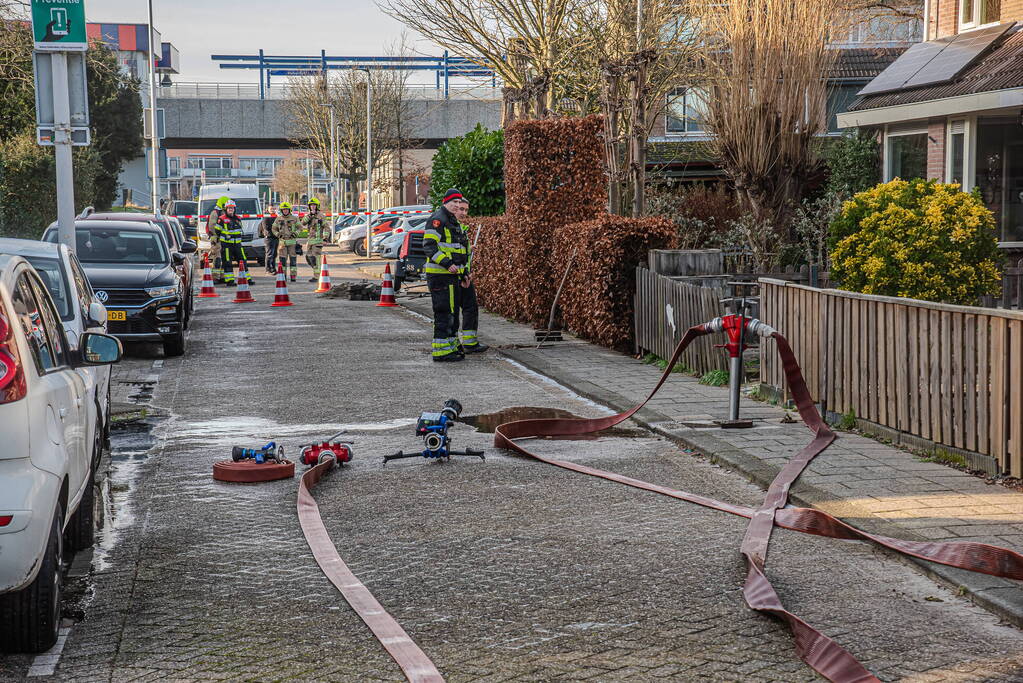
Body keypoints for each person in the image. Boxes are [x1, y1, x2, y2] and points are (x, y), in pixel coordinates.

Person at [423, 188, 473, 362]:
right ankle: (441, 351)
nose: (457, 205)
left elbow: (459, 251)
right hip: (440, 275)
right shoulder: (438, 219)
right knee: (444, 312)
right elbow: (429, 246)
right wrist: (447, 264)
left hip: (451, 276)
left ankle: (451, 346)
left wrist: (464, 273)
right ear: (446, 201)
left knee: (452, 312)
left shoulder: (451, 221)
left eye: (459, 202)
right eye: (454, 202)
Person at [450, 198, 487, 355]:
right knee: (451, 312)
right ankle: (453, 344)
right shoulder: (449, 227)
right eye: (461, 209)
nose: (464, 213)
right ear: (454, 209)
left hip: (463, 276)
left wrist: (468, 251)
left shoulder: (460, 228)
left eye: (466, 210)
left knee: (471, 307)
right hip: (451, 276)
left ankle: (470, 342)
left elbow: (460, 254)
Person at [215, 200, 248, 286]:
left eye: (232, 208)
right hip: (226, 245)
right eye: (229, 208)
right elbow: (217, 231)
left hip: (237, 245)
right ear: (226, 209)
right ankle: (229, 281)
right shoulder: (221, 219)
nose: (231, 210)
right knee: (227, 262)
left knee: (243, 261)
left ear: (234, 209)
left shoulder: (238, 218)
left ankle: (247, 279)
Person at [302, 197, 329, 282]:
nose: (312, 207)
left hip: (318, 241)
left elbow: (327, 228)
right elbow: (303, 223)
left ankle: (317, 276)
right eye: (311, 205)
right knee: (309, 258)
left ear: (317, 206)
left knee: (316, 258)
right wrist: (310, 215)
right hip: (310, 241)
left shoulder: (321, 216)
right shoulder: (308, 215)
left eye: (314, 205)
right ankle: (318, 272)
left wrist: (325, 239)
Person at [272, 202, 301, 281]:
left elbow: (300, 227)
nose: (285, 211)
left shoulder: (294, 218)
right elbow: (273, 229)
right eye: (283, 210)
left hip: (292, 243)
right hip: (282, 244)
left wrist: (295, 234)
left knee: (293, 261)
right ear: (281, 210)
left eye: (286, 209)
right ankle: (283, 276)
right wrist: (278, 235)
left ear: (289, 210)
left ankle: (293, 276)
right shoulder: (278, 219)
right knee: (282, 261)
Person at [206, 196, 230, 282]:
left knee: (224, 258)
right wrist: (220, 234)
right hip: (217, 239)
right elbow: (212, 227)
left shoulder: (224, 212)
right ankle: (215, 277)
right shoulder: (215, 213)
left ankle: (222, 276)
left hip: (224, 239)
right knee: (217, 258)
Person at [260, 204, 279, 275]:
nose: (273, 210)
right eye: (271, 209)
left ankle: (273, 268)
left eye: (274, 209)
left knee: (274, 254)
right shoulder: (266, 217)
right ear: (268, 209)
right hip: (269, 238)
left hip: (276, 238)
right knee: (269, 254)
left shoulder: (276, 217)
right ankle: (267, 269)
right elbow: (266, 228)